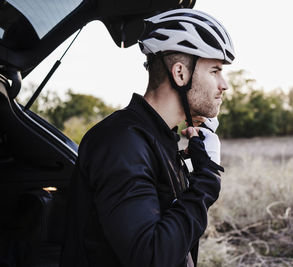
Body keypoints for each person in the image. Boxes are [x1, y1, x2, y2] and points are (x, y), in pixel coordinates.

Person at [60, 8, 235, 267]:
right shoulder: (122, 143)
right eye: (215, 71)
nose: (224, 85)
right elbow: (150, 255)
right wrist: (206, 181)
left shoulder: (157, 139)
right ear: (180, 74)